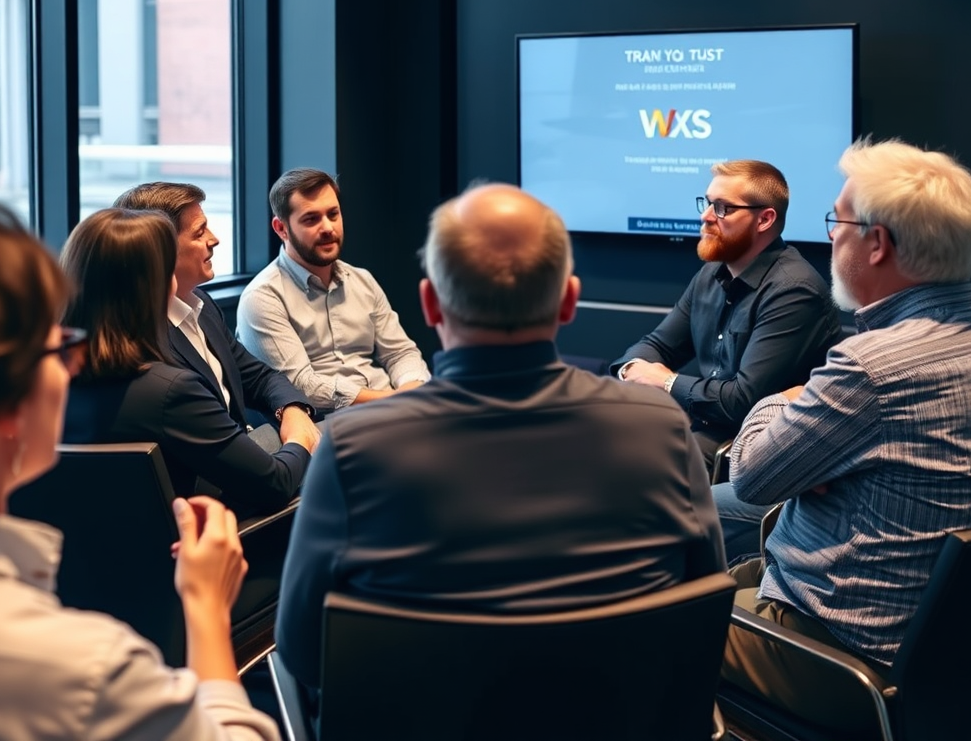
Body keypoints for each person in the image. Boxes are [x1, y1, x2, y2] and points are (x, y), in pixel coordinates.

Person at [275, 183, 726, 718]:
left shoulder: (354, 450)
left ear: (430, 303)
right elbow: (701, 616)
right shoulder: (661, 431)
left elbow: (305, 653)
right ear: (569, 300)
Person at [0, 204, 279, 741]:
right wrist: (205, 608)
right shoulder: (91, 670)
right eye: (58, 346)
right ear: (10, 407)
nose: (75, 363)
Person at [722, 139, 971, 733]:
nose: (831, 236)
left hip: (840, 652)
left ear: (877, 242)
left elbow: (753, 475)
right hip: (951, 653)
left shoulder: (871, 369)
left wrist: (781, 399)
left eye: (835, 220)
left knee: (666, 627)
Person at [61, 208, 312, 515]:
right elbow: (274, 484)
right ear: (153, 287)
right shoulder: (171, 391)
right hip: (196, 548)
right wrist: (301, 437)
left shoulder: (43, 381)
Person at [611, 159, 841, 468]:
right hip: (705, 427)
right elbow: (659, 345)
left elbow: (741, 402)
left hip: (756, 448)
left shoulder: (794, 290)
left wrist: (666, 382)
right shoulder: (712, 274)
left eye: (723, 208)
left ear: (764, 219)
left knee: (627, 467)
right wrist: (631, 372)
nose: (706, 217)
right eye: (706, 204)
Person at [113, 182, 321, 449]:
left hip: (247, 452)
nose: (214, 238)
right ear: (159, 249)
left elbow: (258, 376)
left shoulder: (202, 303)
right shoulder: (146, 342)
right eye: (200, 232)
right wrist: (299, 441)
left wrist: (292, 408)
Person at [236, 168, 430, 417]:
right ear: (281, 228)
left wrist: (412, 389)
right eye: (311, 219)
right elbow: (301, 385)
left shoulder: (362, 280)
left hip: (392, 407)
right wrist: (391, 401)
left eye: (333, 214)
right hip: (328, 422)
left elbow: (400, 352)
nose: (327, 227)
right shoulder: (262, 298)